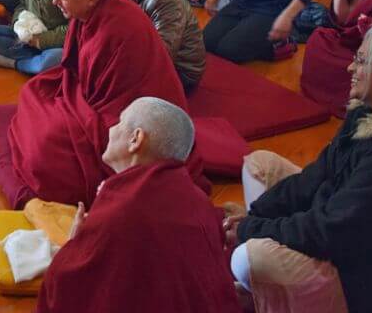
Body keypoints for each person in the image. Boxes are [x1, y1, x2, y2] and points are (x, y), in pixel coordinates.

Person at [226, 25, 372, 313]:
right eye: (356, 57)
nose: (350, 67)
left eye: (362, 61)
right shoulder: (366, 111)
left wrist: (253, 230)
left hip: (356, 270)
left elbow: (333, 229)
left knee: (246, 257)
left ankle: (302, 296)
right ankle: (275, 281)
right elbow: (317, 175)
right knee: (259, 165)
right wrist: (255, 216)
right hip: (333, 217)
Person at [7, 0, 191, 208]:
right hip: (89, 94)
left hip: (128, 116)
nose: (55, 2)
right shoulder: (91, 11)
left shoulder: (119, 27)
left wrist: (74, 109)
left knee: (46, 150)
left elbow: (112, 107)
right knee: (33, 89)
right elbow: (75, 70)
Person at [38, 97, 241, 313]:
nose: (110, 129)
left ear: (136, 139)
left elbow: (66, 285)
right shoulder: (199, 199)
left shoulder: (124, 207)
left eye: (120, 122)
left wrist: (74, 244)